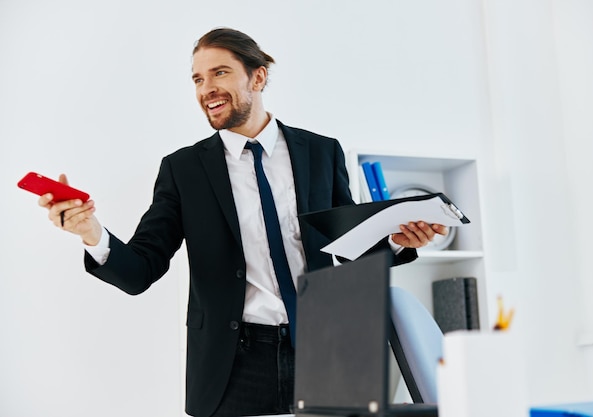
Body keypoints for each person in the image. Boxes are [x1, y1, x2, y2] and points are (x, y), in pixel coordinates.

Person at [39, 28, 448, 417]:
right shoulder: (184, 169)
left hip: (326, 348)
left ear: (258, 77)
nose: (206, 89)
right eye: (198, 79)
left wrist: (395, 240)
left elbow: (349, 245)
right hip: (233, 361)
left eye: (220, 73)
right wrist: (91, 233)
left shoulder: (321, 152)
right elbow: (141, 270)